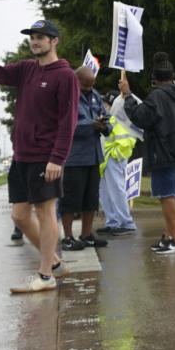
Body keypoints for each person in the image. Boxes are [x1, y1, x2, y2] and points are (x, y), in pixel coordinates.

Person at [0, 15, 79, 293]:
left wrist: (58, 157)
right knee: (20, 216)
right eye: (32, 37)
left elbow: (68, 121)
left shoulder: (65, 76)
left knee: (46, 212)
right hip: (22, 155)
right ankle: (54, 264)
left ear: (54, 41)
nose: (34, 41)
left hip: (46, 157)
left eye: (40, 37)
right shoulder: (26, 70)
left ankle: (45, 276)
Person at [118, 52, 175, 255]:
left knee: (167, 197)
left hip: (164, 154)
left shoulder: (156, 97)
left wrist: (127, 95)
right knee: (174, 195)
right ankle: (169, 236)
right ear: (173, 75)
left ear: (154, 79)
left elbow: (140, 117)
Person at [59, 66, 111, 250]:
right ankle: (67, 237)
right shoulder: (67, 96)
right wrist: (91, 125)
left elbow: (107, 117)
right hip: (75, 156)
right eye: (86, 85)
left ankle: (87, 234)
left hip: (94, 155)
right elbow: (66, 123)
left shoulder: (95, 95)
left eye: (92, 84)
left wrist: (105, 126)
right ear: (76, 80)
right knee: (71, 199)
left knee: (91, 198)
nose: (89, 88)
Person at [95, 90, 138, 236]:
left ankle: (126, 223)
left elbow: (126, 141)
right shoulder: (111, 117)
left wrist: (115, 155)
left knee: (117, 190)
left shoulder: (121, 118)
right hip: (105, 160)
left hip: (113, 159)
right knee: (105, 192)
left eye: (106, 102)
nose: (104, 105)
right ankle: (112, 222)